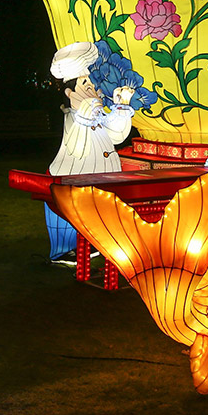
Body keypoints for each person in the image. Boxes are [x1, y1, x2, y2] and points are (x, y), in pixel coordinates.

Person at [44, 43, 136, 262]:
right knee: (67, 216)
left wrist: (122, 106)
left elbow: (116, 135)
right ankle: (65, 251)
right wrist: (90, 107)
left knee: (101, 213)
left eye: (94, 85)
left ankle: (97, 244)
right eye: (86, 84)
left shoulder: (96, 115)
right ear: (69, 92)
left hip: (102, 179)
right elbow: (77, 142)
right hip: (72, 178)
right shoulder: (73, 118)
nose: (95, 90)